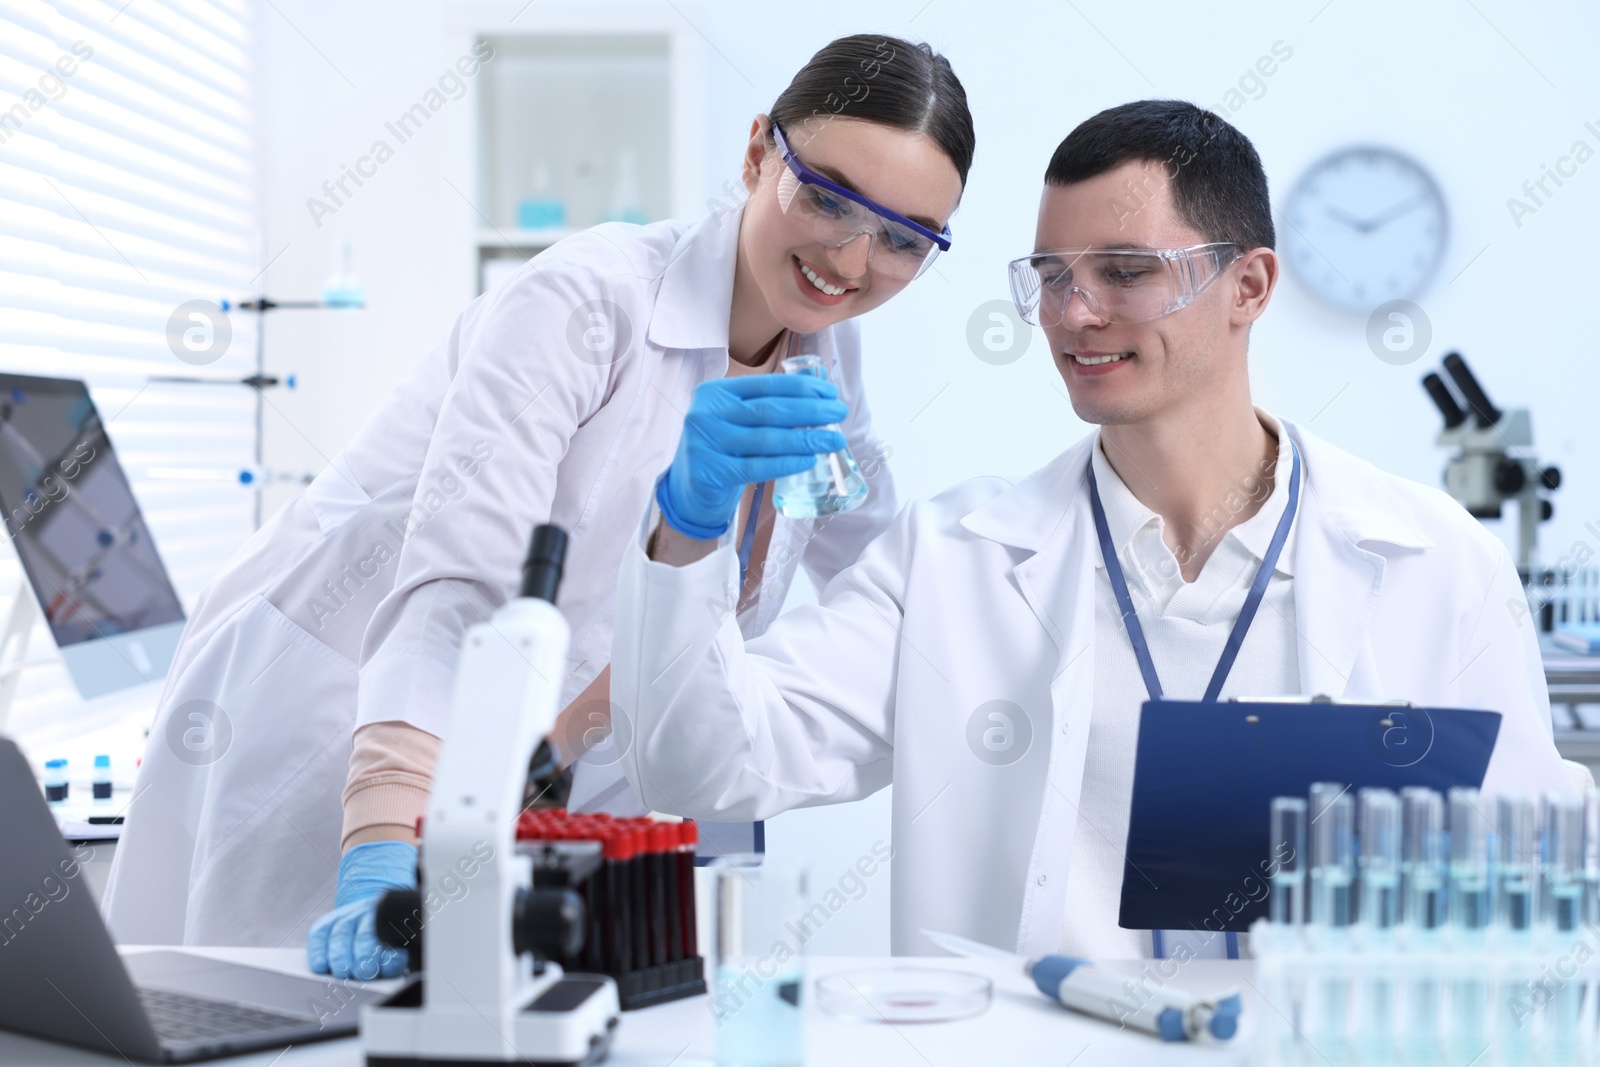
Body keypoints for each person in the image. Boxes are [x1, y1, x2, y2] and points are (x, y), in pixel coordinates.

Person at [613, 100, 1575, 961]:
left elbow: (1534, 875)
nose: (1074, 313)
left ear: (1249, 286)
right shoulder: (951, 559)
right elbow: (706, 763)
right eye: (1050, 274)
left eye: (1125, 271)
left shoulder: (1435, 560)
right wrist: (688, 533)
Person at [101, 34, 974, 979]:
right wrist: (387, 838)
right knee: (268, 1017)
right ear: (760, 152)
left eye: (903, 238)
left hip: (542, 771)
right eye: (828, 198)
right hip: (345, 722)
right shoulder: (588, 301)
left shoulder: (824, 353)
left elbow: (884, 576)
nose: (851, 256)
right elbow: (459, 581)